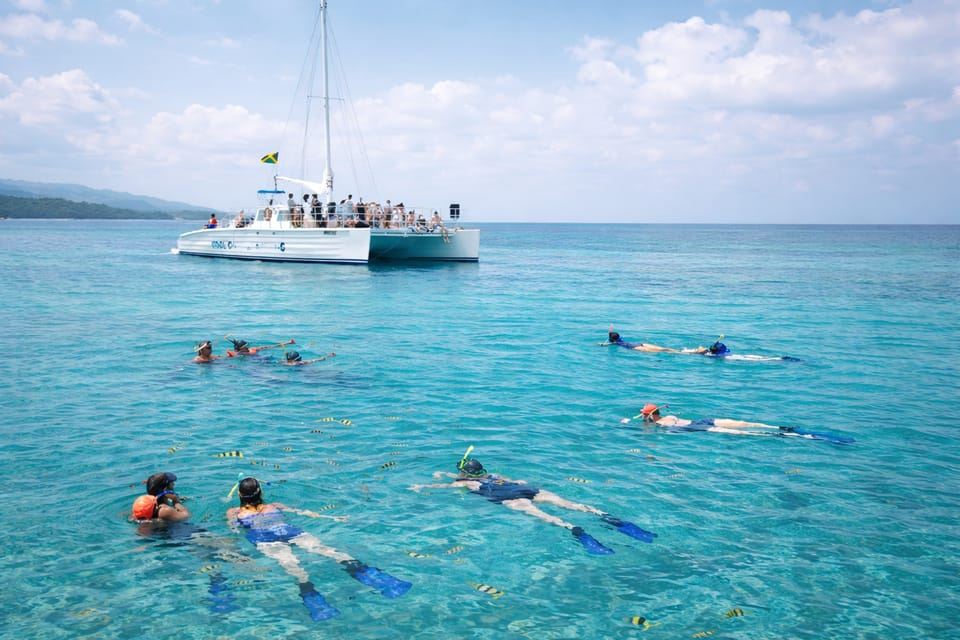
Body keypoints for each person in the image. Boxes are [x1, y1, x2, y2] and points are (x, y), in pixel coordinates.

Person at [410, 447, 656, 555]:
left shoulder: (465, 483)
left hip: (509, 498)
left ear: (464, 473)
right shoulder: (493, 474)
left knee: (550, 518)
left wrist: (423, 485)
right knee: (572, 504)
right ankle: (608, 518)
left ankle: (575, 530)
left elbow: (445, 484)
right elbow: (515, 480)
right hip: (526, 488)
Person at [227, 477, 411, 621]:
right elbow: (306, 513)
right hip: (288, 530)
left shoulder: (234, 512)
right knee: (330, 551)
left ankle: (316, 601)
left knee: (294, 568)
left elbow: (234, 529)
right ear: (260, 491)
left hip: (264, 538)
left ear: (240, 495)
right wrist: (333, 518)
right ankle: (376, 578)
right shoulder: (274, 506)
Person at [634, 404, 854, 443]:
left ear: (649, 415)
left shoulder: (660, 424)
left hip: (697, 427)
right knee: (742, 423)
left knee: (743, 433)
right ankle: (779, 428)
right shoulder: (665, 417)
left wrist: (645, 424)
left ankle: (779, 434)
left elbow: (658, 431)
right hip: (700, 420)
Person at [604, 329, 707, 354]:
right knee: (664, 349)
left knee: (662, 352)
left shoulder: (615, 342)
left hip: (635, 347)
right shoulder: (619, 339)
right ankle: (693, 351)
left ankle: (694, 353)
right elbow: (612, 334)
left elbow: (606, 343)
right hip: (640, 344)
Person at [226, 338, 295, 357]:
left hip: (263, 359)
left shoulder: (253, 349)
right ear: (241, 348)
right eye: (246, 346)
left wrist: (287, 342)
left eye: (247, 345)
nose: (247, 346)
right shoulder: (238, 354)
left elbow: (270, 347)